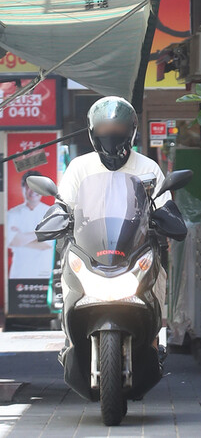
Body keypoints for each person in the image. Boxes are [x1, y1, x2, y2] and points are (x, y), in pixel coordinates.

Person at [57, 96, 171, 356]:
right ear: (92, 132)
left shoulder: (147, 167)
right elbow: (63, 203)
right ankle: (71, 340)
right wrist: (56, 215)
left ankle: (154, 340)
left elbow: (164, 203)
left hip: (134, 250)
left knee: (159, 277)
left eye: (117, 130)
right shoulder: (79, 167)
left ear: (131, 132)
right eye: (104, 130)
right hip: (89, 250)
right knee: (68, 278)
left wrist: (167, 217)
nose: (111, 135)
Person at [6, 169, 53, 279]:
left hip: (43, 273)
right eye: (28, 186)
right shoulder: (12, 213)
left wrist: (21, 238)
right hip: (19, 273)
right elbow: (10, 241)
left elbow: (48, 245)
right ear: (22, 188)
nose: (32, 191)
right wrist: (41, 234)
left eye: (36, 187)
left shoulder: (51, 213)